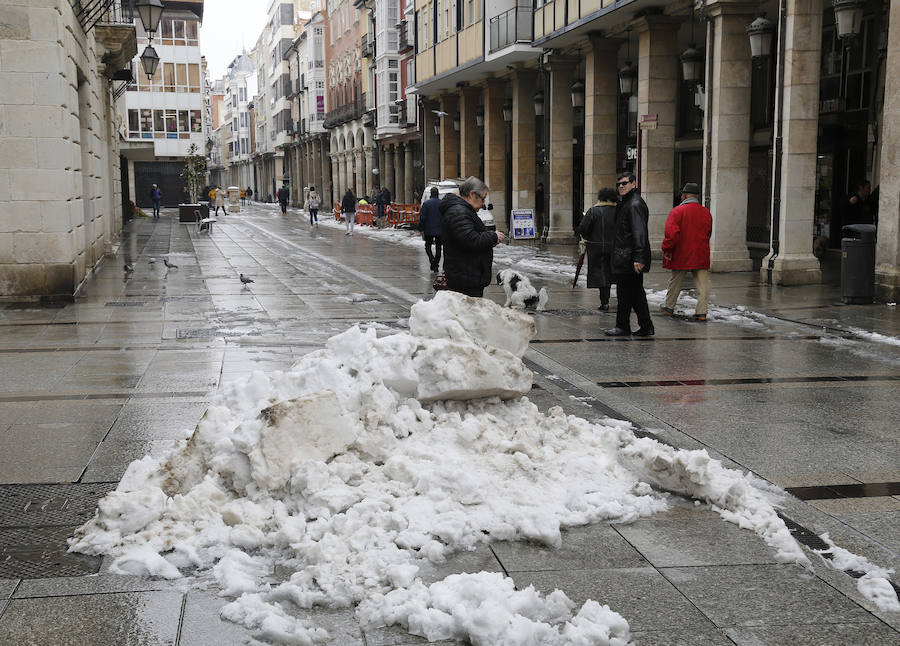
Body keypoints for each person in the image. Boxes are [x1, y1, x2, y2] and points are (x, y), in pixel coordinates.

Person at [605, 172, 653, 337]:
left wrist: (639, 257)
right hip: (626, 256)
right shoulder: (626, 203)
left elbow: (639, 232)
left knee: (625, 294)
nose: (621, 186)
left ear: (634, 183)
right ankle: (646, 326)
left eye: (625, 183)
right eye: (619, 184)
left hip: (629, 257)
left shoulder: (634, 204)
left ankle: (623, 326)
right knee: (636, 293)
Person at [440, 176, 505, 297]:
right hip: (465, 278)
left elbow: (470, 236)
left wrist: (490, 239)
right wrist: (493, 237)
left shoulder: (462, 210)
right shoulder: (459, 212)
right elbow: (470, 239)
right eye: (483, 199)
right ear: (472, 194)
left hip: (467, 276)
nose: (483, 204)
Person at [661, 182, 712, 322]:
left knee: (675, 283)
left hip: (681, 254)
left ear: (684, 195)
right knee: (703, 286)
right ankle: (701, 312)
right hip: (701, 253)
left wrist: (666, 249)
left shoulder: (677, 211)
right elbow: (708, 233)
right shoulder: (706, 212)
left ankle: (669, 307)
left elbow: (671, 235)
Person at [575, 187, 617, 311]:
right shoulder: (619, 210)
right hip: (616, 248)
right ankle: (624, 301)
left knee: (602, 275)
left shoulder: (593, 211)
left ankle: (604, 302)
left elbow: (583, 229)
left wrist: (587, 237)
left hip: (596, 247)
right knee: (617, 275)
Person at [419, 186, 443, 272]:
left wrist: (421, 228)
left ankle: (432, 260)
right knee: (438, 246)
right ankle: (436, 262)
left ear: (430, 194)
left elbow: (422, 217)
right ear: (438, 194)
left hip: (428, 229)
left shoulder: (426, 204)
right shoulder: (442, 203)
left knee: (428, 246)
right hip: (440, 229)